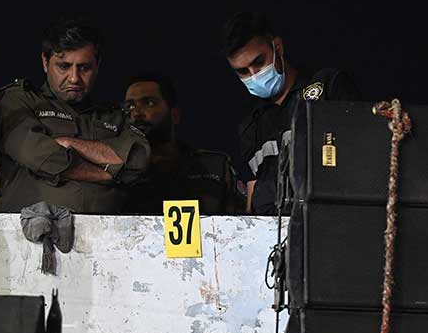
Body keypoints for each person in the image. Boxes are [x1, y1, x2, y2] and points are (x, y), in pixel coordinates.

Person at [0, 17, 150, 213]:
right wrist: (107, 174)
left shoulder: (113, 116)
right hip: (31, 238)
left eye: (84, 68)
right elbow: (37, 154)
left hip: (108, 238)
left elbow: (139, 159)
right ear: (45, 62)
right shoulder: (19, 101)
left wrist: (70, 143)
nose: (74, 78)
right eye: (64, 66)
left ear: (97, 65)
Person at [222, 12, 360, 214]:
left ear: (277, 47)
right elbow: (254, 201)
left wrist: (268, 190)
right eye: (243, 71)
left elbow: (355, 162)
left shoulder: (328, 88)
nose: (254, 75)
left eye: (259, 62)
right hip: (275, 239)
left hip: (332, 228)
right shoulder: (250, 127)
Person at [123, 73, 245, 213]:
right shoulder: (117, 173)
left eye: (149, 103)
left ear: (174, 115)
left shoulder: (215, 166)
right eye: (130, 106)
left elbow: (241, 226)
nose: (137, 113)